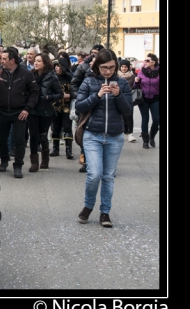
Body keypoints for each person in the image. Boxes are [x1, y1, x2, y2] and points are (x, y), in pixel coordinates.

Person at [76, 49, 133, 228]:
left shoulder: (122, 84)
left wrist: (118, 95)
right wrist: (98, 95)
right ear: (96, 66)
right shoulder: (89, 81)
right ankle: (88, 206)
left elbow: (128, 111)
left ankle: (105, 212)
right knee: (94, 174)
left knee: (108, 176)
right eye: (103, 68)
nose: (107, 71)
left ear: (116, 66)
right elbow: (79, 106)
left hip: (115, 137)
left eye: (111, 68)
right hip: (92, 135)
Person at [0, 46, 39, 178]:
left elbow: (34, 93)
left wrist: (27, 109)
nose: (1, 61)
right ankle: (4, 161)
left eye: (4, 58)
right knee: (2, 138)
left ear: (13, 60)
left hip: (19, 112)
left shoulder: (26, 74)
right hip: (3, 111)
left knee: (19, 140)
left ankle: (18, 166)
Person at [27, 53, 63, 172]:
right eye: (35, 61)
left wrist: (48, 97)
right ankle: (34, 162)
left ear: (45, 63)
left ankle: (45, 160)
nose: (36, 63)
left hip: (46, 110)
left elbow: (60, 94)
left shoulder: (52, 77)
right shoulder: (31, 75)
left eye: (39, 61)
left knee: (43, 135)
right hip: (32, 109)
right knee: (33, 136)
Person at [50, 55, 75, 159]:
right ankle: (55, 149)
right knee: (55, 128)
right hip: (55, 106)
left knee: (67, 127)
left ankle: (68, 150)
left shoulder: (70, 77)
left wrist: (70, 95)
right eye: (55, 66)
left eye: (58, 66)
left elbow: (76, 91)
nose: (56, 68)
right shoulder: (52, 77)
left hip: (66, 107)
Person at [134, 53, 160, 149]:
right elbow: (135, 87)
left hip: (156, 99)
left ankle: (152, 137)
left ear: (154, 62)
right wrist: (136, 82)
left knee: (156, 120)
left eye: (148, 60)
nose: (145, 62)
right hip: (144, 99)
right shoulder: (141, 71)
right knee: (145, 119)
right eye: (145, 60)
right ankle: (145, 141)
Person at [118, 59, 137, 143]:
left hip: (129, 98)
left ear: (128, 67)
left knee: (129, 115)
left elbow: (135, 87)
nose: (124, 68)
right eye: (122, 66)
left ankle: (130, 133)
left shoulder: (132, 76)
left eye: (125, 67)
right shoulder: (116, 76)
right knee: (120, 116)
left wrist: (136, 82)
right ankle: (122, 132)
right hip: (119, 98)